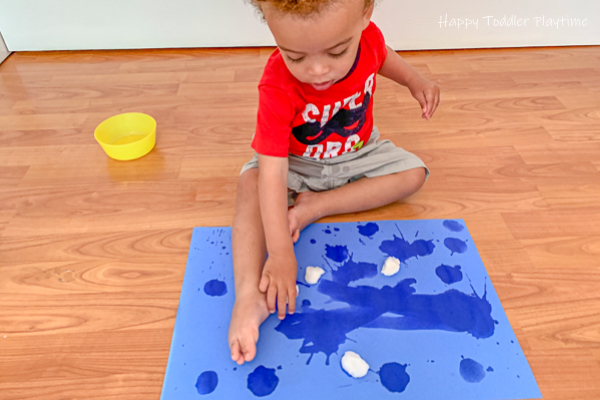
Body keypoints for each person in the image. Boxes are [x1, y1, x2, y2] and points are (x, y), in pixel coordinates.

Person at [228, 0, 440, 365]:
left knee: (414, 174)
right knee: (251, 183)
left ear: (365, 14)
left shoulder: (369, 40)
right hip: (296, 164)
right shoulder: (277, 84)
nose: (317, 70)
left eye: (338, 51)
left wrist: (414, 80)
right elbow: (274, 172)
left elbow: (383, 56)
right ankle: (248, 295)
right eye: (295, 57)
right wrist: (280, 254)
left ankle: (317, 206)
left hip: (358, 154)